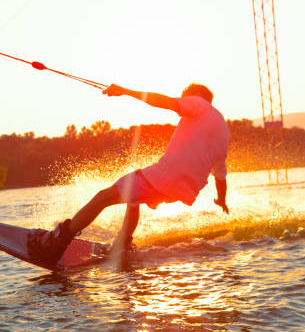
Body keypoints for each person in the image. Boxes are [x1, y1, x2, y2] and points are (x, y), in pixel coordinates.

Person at [27, 83, 230, 267]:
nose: (181, 104)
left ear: (194, 96)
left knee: (103, 197)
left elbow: (164, 102)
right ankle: (123, 243)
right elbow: (220, 177)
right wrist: (221, 201)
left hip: (163, 178)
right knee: (134, 199)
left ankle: (57, 243)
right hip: (182, 191)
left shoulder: (197, 103)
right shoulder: (222, 133)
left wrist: (126, 92)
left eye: (183, 97)